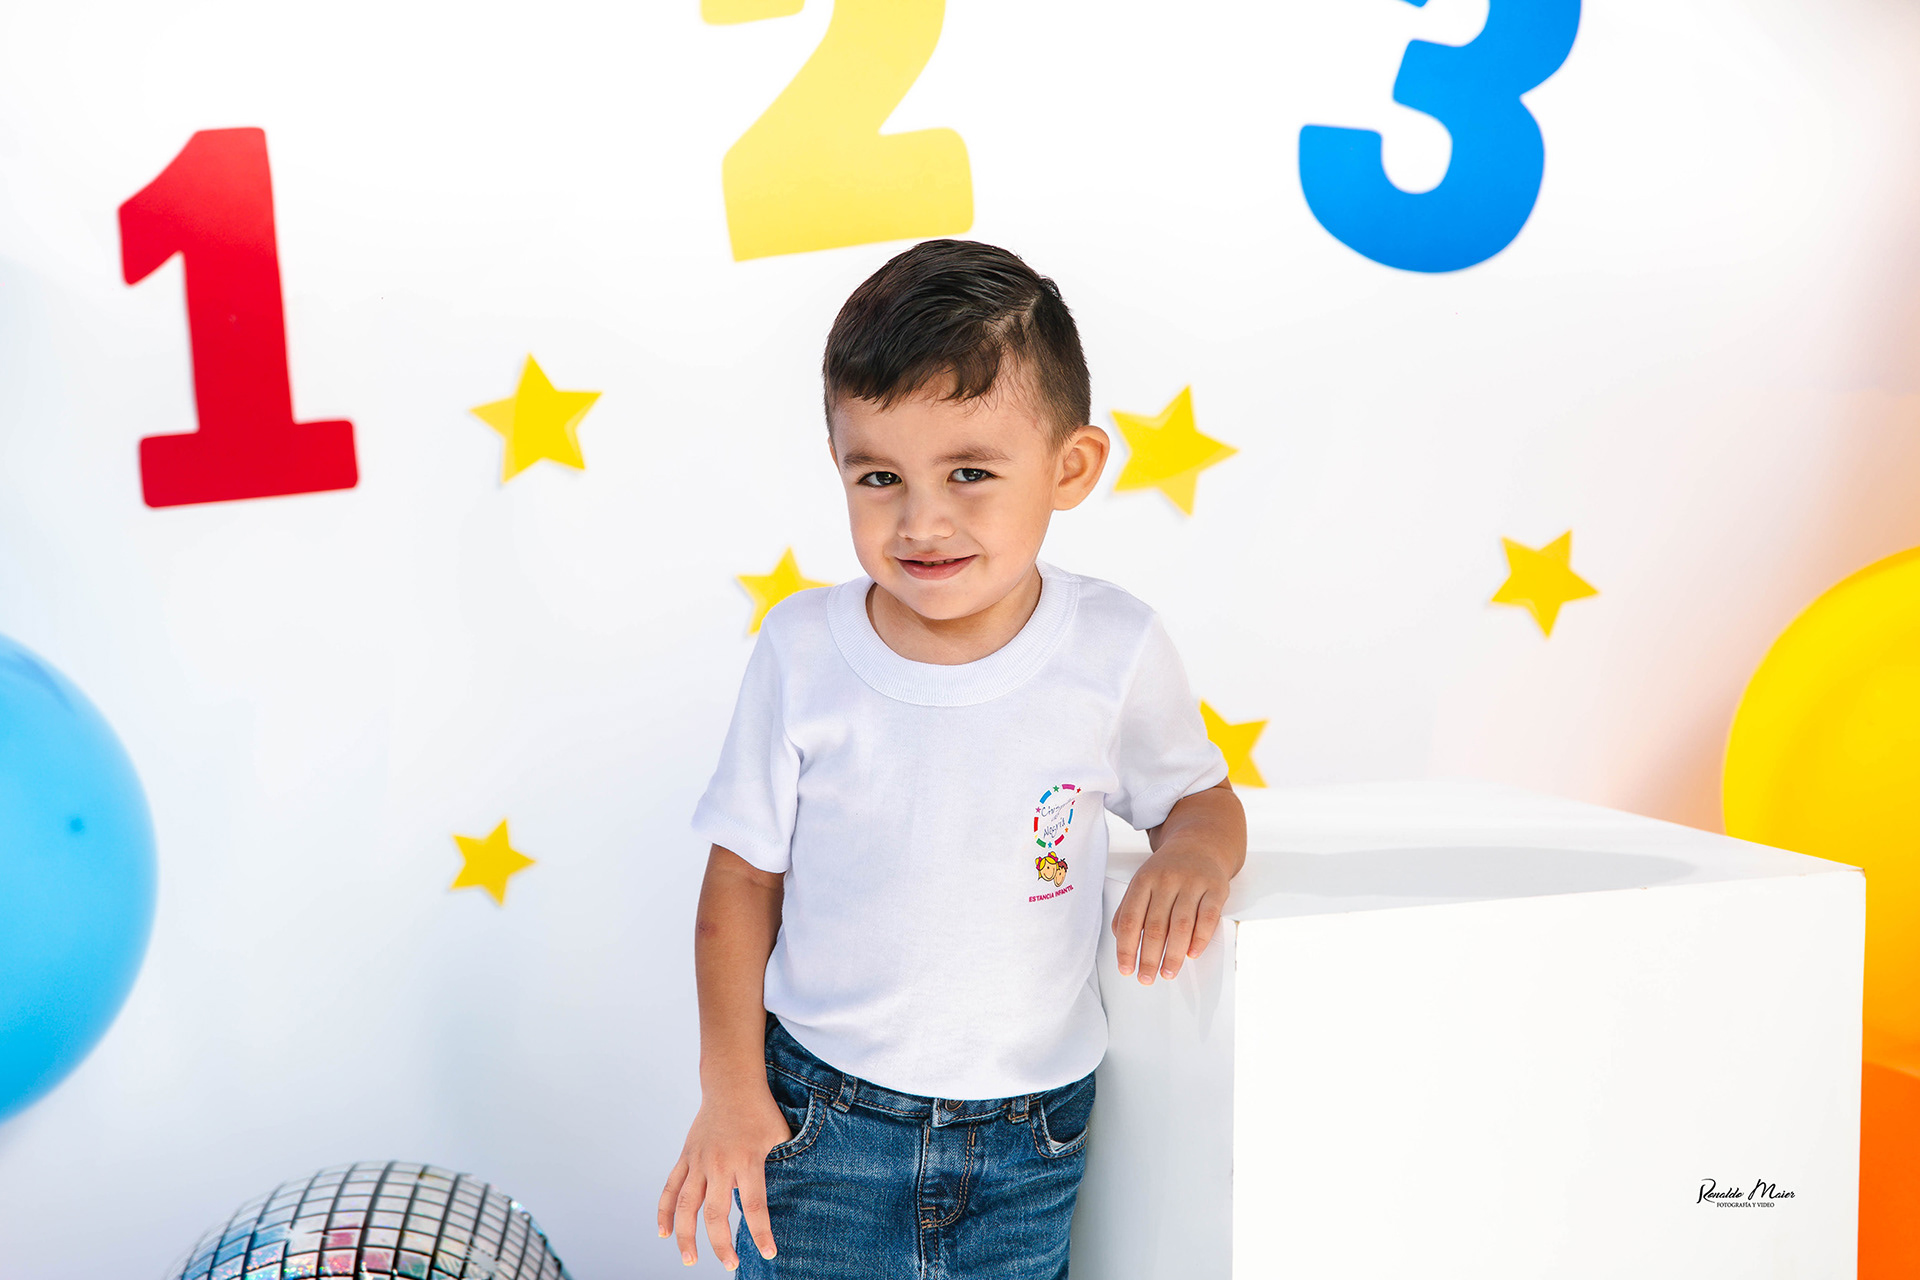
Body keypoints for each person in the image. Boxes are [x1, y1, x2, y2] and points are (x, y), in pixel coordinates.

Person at [658, 240, 1247, 1277]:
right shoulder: (802, 651)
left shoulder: (1113, 647)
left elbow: (1198, 797)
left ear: (1071, 467)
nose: (921, 521)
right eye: (879, 476)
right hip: (819, 1123)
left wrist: (1194, 854)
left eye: (969, 473)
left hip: (1029, 1142)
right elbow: (740, 881)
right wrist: (732, 1089)